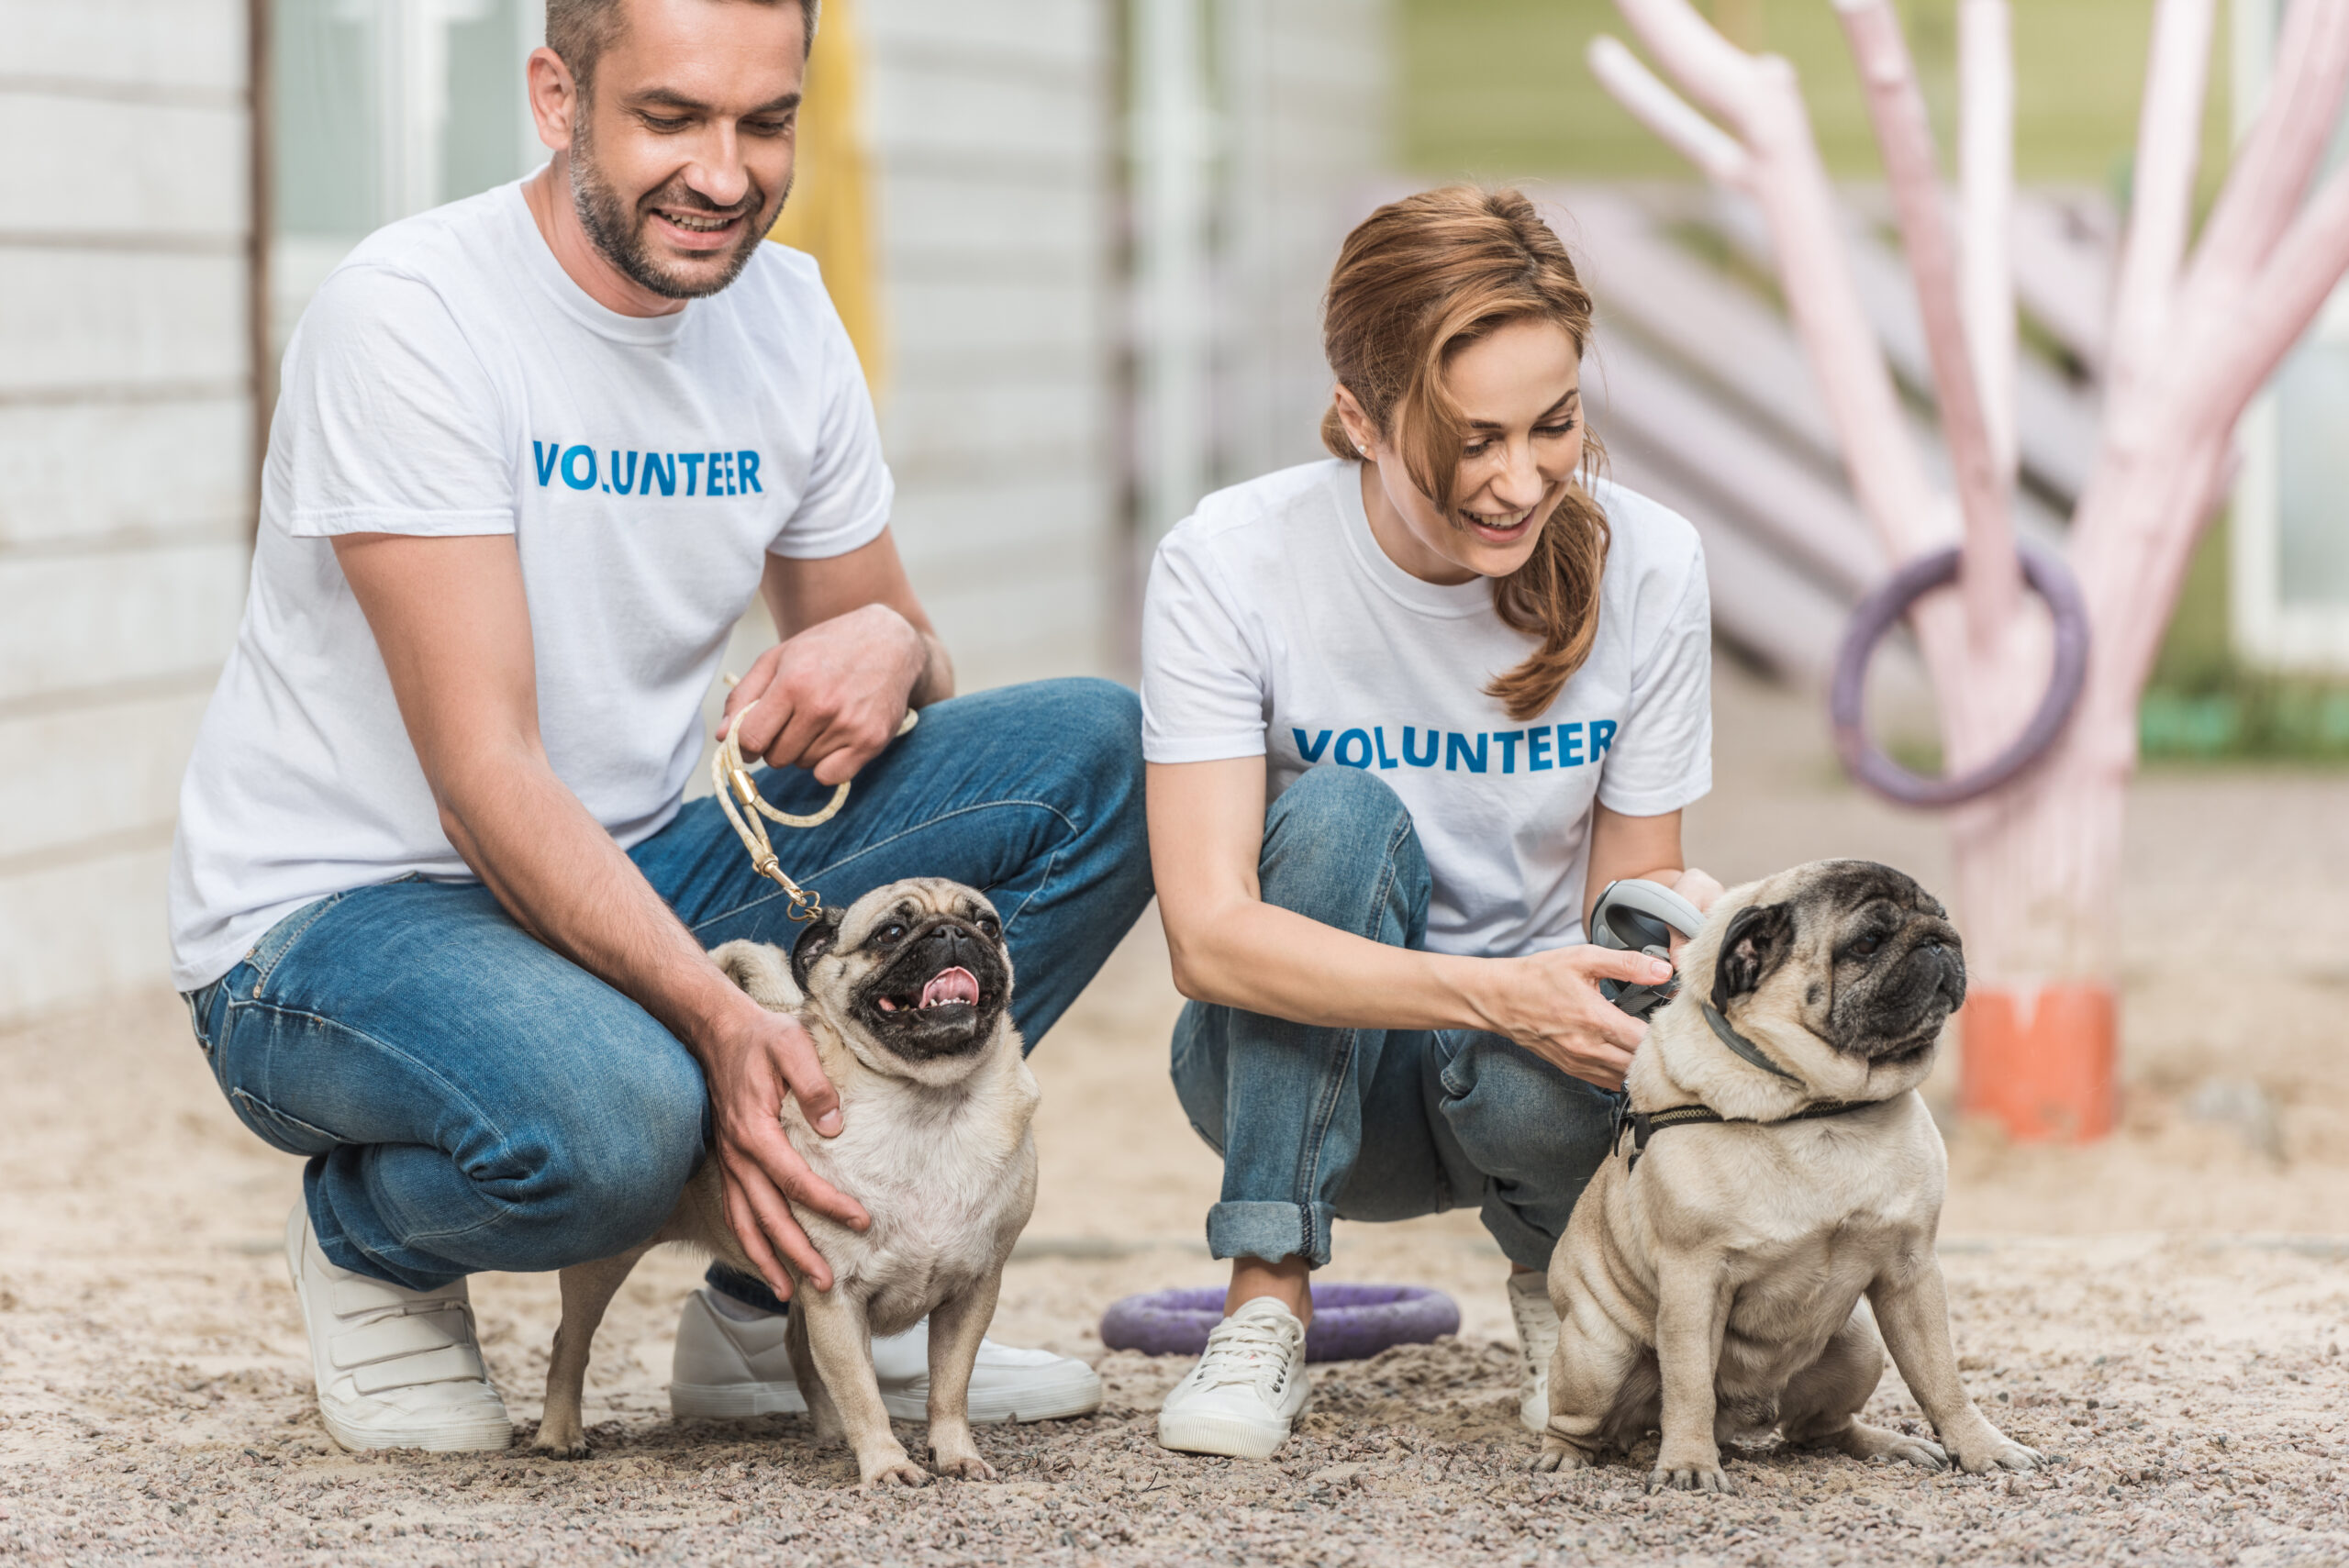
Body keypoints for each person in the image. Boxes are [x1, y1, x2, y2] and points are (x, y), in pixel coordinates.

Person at [170, 0, 1149, 1453]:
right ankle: (372, 1238)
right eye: (672, 119)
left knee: (1096, 754)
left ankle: (783, 1295)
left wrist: (896, 641)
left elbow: (894, 669)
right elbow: (484, 780)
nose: (726, 172)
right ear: (558, 96)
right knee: (625, 1124)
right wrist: (719, 1024)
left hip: (645, 863)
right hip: (346, 922)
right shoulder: (412, 316)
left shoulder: (788, 314)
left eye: (766, 122)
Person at [1141, 186, 1725, 1460]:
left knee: (1621, 961)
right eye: (1472, 442)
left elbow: (1627, 912)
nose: (1522, 482)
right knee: (1340, 814)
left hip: (1530, 1083)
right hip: (1292, 1076)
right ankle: (1265, 1296)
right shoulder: (1230, 560)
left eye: (1555, 425)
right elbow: (1209, 939)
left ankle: (1563, 1279)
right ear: (1360, 416)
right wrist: (1493, 990)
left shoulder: (1656, 564)